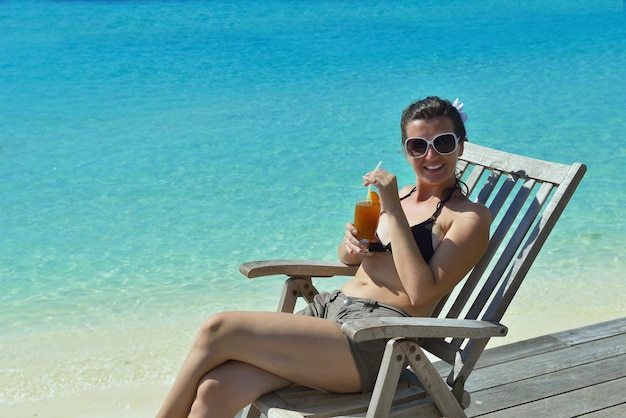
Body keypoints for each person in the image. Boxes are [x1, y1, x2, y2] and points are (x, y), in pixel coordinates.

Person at [156, 96, 492, 418]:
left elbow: (421, 292)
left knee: (219, 328)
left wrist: (391, 209)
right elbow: (350, 260)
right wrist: (352, 244)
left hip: (377, 340)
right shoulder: (400, 196)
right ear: (405, 151)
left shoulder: (467, 218)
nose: (431, 155)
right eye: (418, 146)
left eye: (443, 143)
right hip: (328, 315)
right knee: (214, 390)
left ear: (461, 145)